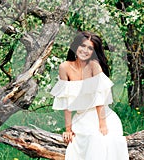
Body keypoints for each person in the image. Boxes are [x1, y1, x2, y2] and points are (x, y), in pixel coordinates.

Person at [50, 31, 129, 159]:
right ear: (76, 46)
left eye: (90, 48)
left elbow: (99, 99)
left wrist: (102, 124)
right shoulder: (64, 67)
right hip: (82, 117)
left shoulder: (94, 66)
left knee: (99, 139)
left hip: (103, 116)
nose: (85, 50)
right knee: (83, 142)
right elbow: (66, 100)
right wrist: (68, 129)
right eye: (83, 46)